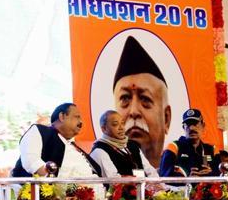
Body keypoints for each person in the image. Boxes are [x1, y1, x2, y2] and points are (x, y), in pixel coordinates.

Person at [113, 35, 172, 169]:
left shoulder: (177, 171)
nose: (134, 112)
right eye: (125, 99)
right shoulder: (101, 155)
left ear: (166, 118)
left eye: (145, 99)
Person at [12, 102, 101, 178]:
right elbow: (31, 160)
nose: (81, 121)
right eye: (77, 117)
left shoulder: (73, 146)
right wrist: (52, 183)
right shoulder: (40, 131)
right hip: (47, 195)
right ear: (62, 116)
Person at [90, 110, 158, 178]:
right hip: (122, 188)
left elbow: (150, 171)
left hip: (142, 187)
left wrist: (158, 184)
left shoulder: (132, 145)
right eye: (115, 124)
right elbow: (113, 180)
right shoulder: (99, 151)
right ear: (104, 129)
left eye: (122, 123)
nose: (121, 128)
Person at [159, 108, 219, 177]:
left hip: (209, 187)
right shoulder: (174, 147)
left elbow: (222, 176)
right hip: (183, 187)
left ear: (203, 125)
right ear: (183, 128)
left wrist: (210, 175)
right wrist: (188, 180)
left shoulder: (212, 149)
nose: (191, 128)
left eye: (195, 124)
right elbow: (164, 176)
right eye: (188, 125)